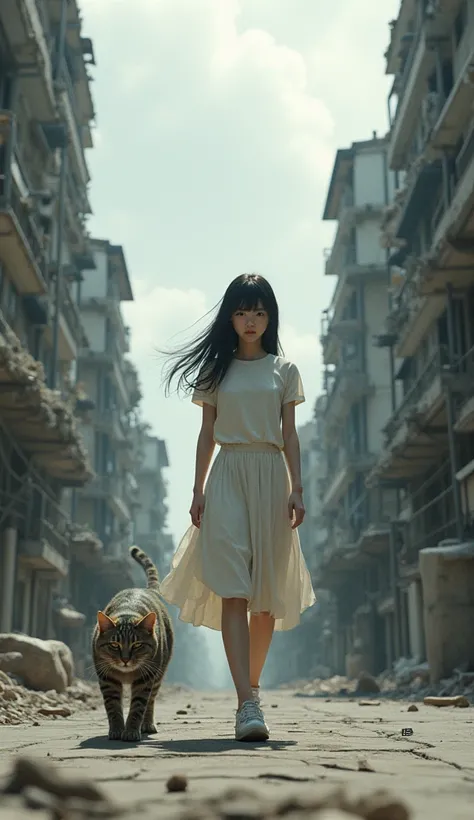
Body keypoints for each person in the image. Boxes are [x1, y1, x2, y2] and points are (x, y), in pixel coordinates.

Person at [159, 273, 316, 742]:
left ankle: (254, 687)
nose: (252, 320)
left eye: (260, 312)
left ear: (270, 318)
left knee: (265, 598)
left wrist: (299, 488)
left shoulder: (284, 371)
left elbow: (290, 434)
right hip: (226, 476)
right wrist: (197, 490)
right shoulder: (216, 371)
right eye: (243, 311)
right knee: (235, 588)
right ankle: (246, 704)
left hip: (272, 476)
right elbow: (206, 434)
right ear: (231, 316)